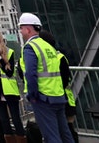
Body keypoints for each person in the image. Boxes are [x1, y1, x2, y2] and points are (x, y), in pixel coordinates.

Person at [18, 13, 73, 143]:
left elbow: (30, 74)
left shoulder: (30, 47)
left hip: (43, 98)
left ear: (28, 29)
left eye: (21, 28)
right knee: (65, 134)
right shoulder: (48, 46)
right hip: (58, 95)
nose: (20, 31)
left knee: (51, 136)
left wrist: (32, 96)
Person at [0, 28, 24, 143]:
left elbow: (9, 72)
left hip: (9, 90)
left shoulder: (9, 51)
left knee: (16, 119)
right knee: (3, 120)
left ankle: (21, 139)